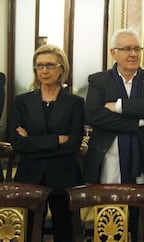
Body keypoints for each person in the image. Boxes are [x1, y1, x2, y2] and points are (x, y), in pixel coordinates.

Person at [84, 28, 144, 242]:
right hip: (109, 162)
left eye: (136, 48)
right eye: (127, 49)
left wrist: (119, 106)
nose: (133, 54)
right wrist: (139, 119)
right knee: (109, 222)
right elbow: (95, 116)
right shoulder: (99, 80)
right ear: (114, 53)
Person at [9, 44, 84, 242]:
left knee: (64, 233)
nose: (43, 70)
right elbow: (17, 142)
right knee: (26, 232)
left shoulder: (75, 103)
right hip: (30, 177)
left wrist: (32, 142)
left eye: (50, 65)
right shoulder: (22, 101)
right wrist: (56, 140)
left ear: (61, 68)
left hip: (64, 177)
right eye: (39, 65)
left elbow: (73, 144)